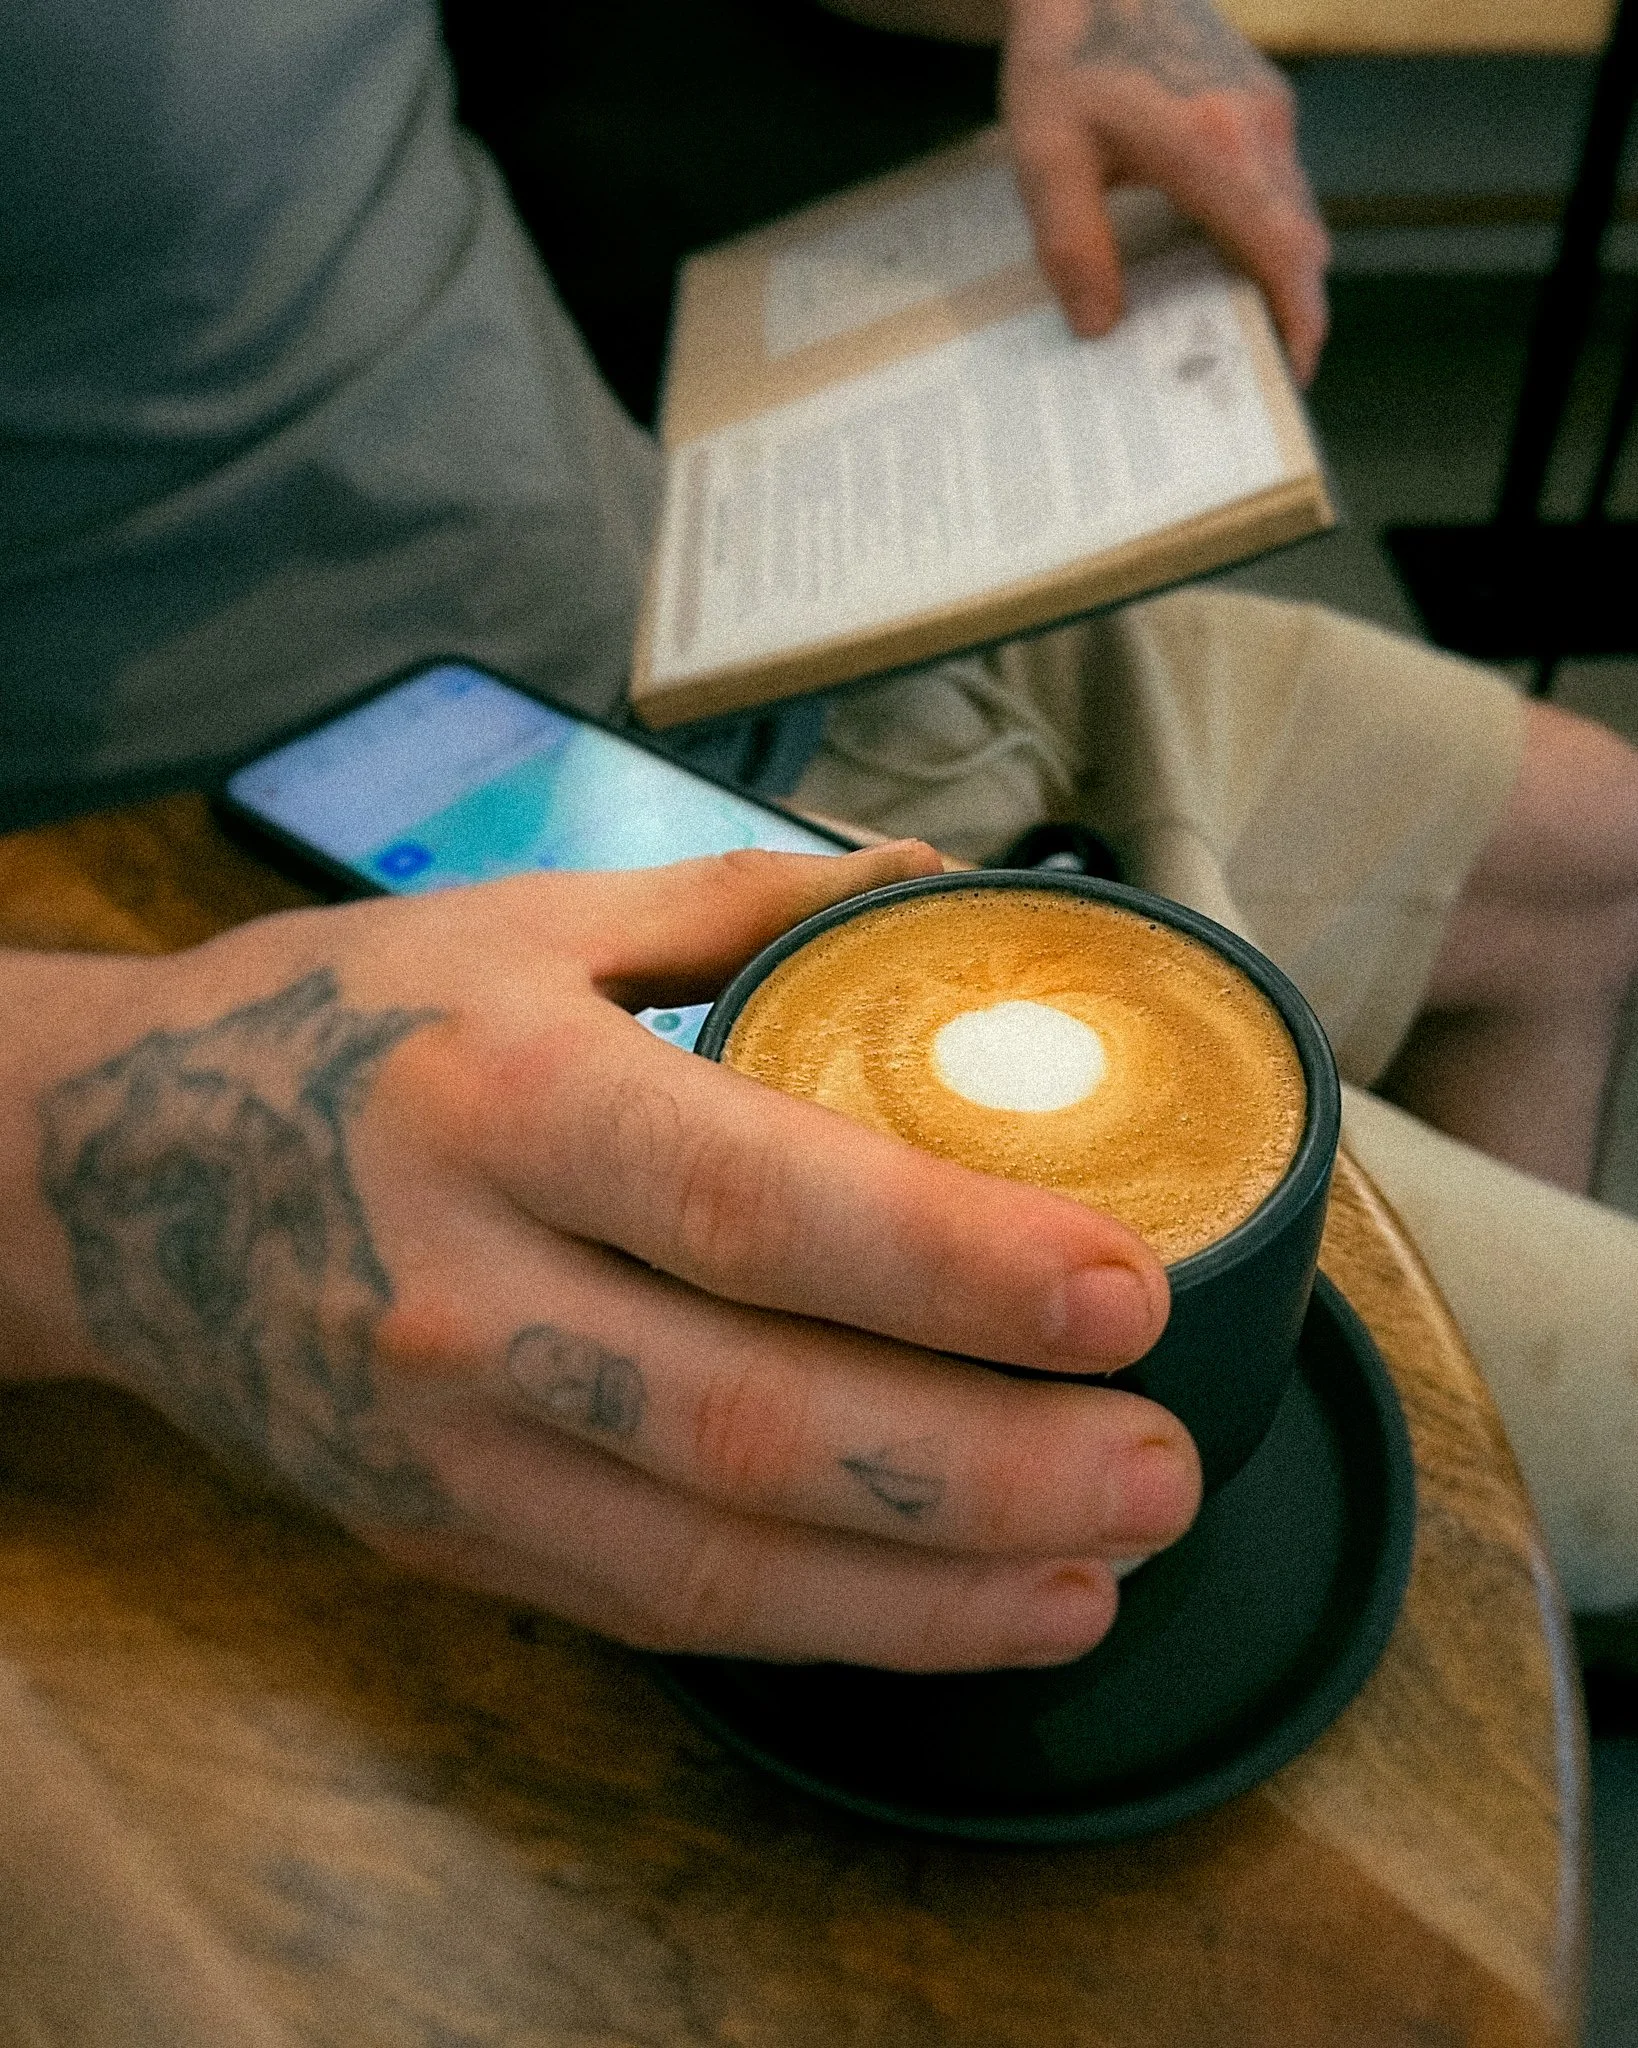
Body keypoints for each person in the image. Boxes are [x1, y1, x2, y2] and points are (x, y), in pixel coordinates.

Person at [2, 0, 1636, 1703]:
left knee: (1598, 841)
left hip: (716, 617)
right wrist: (86, 1155)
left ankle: (1511, 1615)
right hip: (235, 889)